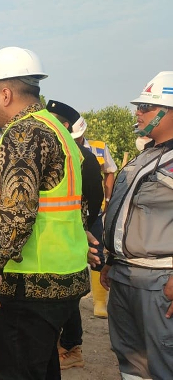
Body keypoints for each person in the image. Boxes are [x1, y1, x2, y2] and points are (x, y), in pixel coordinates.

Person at [0, 47, 90, 380]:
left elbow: (18, 209)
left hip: (30, 281)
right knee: (41, 366)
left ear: (5, 94)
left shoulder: (23, 133)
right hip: (63, 274)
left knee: (18, 370)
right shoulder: (55, 127)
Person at [101, 71, 173, 380]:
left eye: (147, 106)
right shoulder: (146, 156)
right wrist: (110, 261)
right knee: (130, 361)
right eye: (139, 105)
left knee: (162, 362)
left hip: (159, 281)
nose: (138, 112)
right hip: (124, 274)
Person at [46, 100, 105, 370]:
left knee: (68, 291)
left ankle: (71, 346)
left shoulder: (83, 157)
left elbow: (94, 199)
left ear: (65, 126)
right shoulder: (54, 152)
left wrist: (81, 231)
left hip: (76, 235)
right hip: (56, 237)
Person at [69, 115, 118, 318]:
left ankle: (99, 302)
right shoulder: (63, 146)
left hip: (94, 211)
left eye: (79, 137)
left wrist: (107, 197)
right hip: (71, 211)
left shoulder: (99, 148)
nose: (77, 141)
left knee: (97, 251)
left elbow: (110, 171)